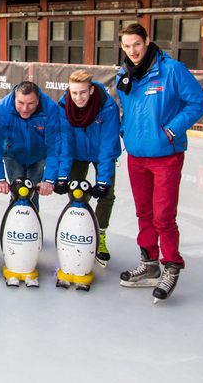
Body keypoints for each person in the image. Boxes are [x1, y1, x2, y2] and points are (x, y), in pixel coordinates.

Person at [116, 23, 203, 302]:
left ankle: (172, 265)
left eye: (137, 44)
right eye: (127, 46)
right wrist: (125, 131)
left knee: (163, 217)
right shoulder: (123, 75)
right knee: (143, 214)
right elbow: (127, 110)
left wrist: (171, 130)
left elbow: (199, 102)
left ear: (147, 41)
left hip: (165, 157)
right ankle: (150, 263)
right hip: (136, 157)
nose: (132, 51)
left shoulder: (172, 70)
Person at [56, 70, 121, 267]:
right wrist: (62, 175)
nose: (78, 97)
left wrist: (102, 181)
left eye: (83, 92)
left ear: (91, 90)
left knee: (107, 194)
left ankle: (100, 235)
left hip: (101, 152)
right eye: (74, 93)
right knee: (77, 193)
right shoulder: (63, 106)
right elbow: (65, 143)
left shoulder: (107, 107)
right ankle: (80, 230)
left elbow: (108, 145)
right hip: (76, 155)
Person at [0, 81, 61, 210]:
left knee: (32, 194)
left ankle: (32, 228)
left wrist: (49, 180)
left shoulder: (50, 108)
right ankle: (12, 226)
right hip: (13, 155)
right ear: (14, 98)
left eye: (31, 104)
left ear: (38, 100)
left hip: (38, 156)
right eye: (20, 103)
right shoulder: (2, 109)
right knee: (18, 193)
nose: (25, 109)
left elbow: (54, 147)